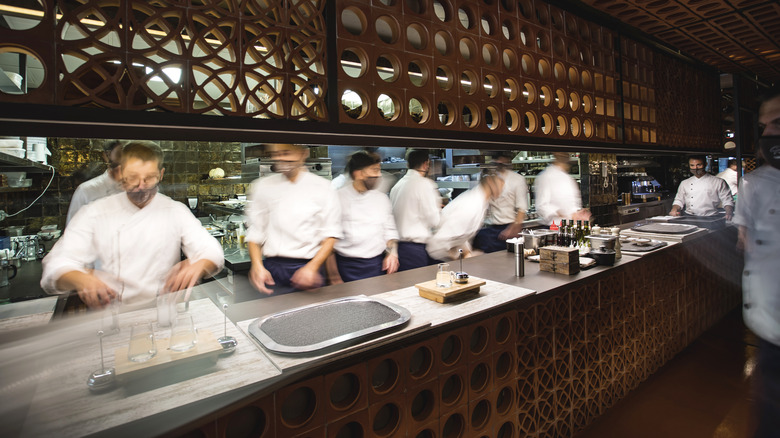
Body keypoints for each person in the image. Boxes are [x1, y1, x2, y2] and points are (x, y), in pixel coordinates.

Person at [41, 141, 224, 309]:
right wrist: (82, 279)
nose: (141, 186)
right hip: (111, 314)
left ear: (161, 174)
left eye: (149, 178)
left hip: (163, 311)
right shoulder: (95, 212)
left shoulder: (175, 210)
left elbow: (211, 250)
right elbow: (56, 263)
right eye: (133, 177)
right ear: (121, 174)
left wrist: (198, 265)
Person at [733, 88, 780, 438]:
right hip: (771, 329)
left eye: (777, 123)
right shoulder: (754, 184)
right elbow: (744, 238)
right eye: (765, 126)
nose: (768, 135)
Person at [245, 143, 342, 295]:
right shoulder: (262, 186)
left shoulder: (323, 187)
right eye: (276, 154)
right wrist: (257, 266)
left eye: (286, 153)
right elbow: (255, 232)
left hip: (309, 270)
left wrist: (312, 268)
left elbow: (330, 235)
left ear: (304, 154)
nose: (280, 158)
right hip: (273, 270)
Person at [329, 151, 399, 283]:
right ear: (358, 173)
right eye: (374, 170)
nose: (378, 175)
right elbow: (329, 242)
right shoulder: (338, 198)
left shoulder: (382, 198)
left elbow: (390, 232)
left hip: (376, 266)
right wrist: (333, 277)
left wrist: (392, 253)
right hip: (346, 267)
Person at [426, 174, 505, 261]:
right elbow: (444, 238)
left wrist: (468, 252)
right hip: (438, 257)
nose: (502, 189)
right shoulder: (471, 204)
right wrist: (461, 257)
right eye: (500, 184)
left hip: (446, 253)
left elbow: (460, 235)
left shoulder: (480, 201)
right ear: (490, 181)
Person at [389, 149, 442, 271]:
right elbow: (434, 220)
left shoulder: (397, 186)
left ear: (408, 164)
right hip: (415, 250)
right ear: (426, 164)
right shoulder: (425, 184)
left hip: (399, 248)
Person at [473, 152, 529, 253]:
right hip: (489, 229)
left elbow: (522, 208)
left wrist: (514, 227)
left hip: (508, 228)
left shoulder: (517, 179)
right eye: (496, 160)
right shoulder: (487, 177)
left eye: (502, 160)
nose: (499, 162)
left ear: (508, 161)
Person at [66, 140, 125, 225]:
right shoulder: (86, 191)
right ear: (107, 155)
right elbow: (73, 233)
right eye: (122, 153)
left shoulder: (143, 191)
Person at [669, 155, 734, 220]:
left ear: (705, 164)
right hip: (689, 217)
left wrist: (729, 212)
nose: (695, 168)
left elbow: (727, 201)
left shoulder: (719, 182)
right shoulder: (684, 183)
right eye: (692, 165)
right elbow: (679, 200)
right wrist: (674, 209)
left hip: (711, 217)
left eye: (699, 165)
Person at [534, 152, 590, 226]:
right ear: (555, 155)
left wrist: (579, 214)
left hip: (571, 226)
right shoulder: (545, 176)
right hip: (554, 227)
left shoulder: (569, 178)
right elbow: (542, 206)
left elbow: (573, 206)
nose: (565, 155)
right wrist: (563, 213)